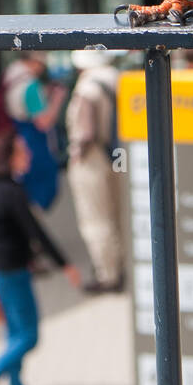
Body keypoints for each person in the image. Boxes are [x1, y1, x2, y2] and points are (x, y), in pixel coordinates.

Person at [0, 128, 81, 385]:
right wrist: (65, 265)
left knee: (14, 335)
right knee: (29, 337)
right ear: (9, 158)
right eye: (22, 151)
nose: (28, 155)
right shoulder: (12, 192)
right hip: (13, 273)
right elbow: (37, 233)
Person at [66, 48, 124, 293]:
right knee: (117, 211)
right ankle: (121, 263)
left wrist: (75, 154)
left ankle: (108, 274)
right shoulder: (116, 77)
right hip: (117, 154)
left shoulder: (87, 88)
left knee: (96, 219)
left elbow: (85, 132)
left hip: (93, 159)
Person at [2, 53, 66, 210]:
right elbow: (43, 122)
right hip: (35, 141)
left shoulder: (11, 75)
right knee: (38, 184)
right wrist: (57, 99)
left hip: (19, 134)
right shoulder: (30, 86)